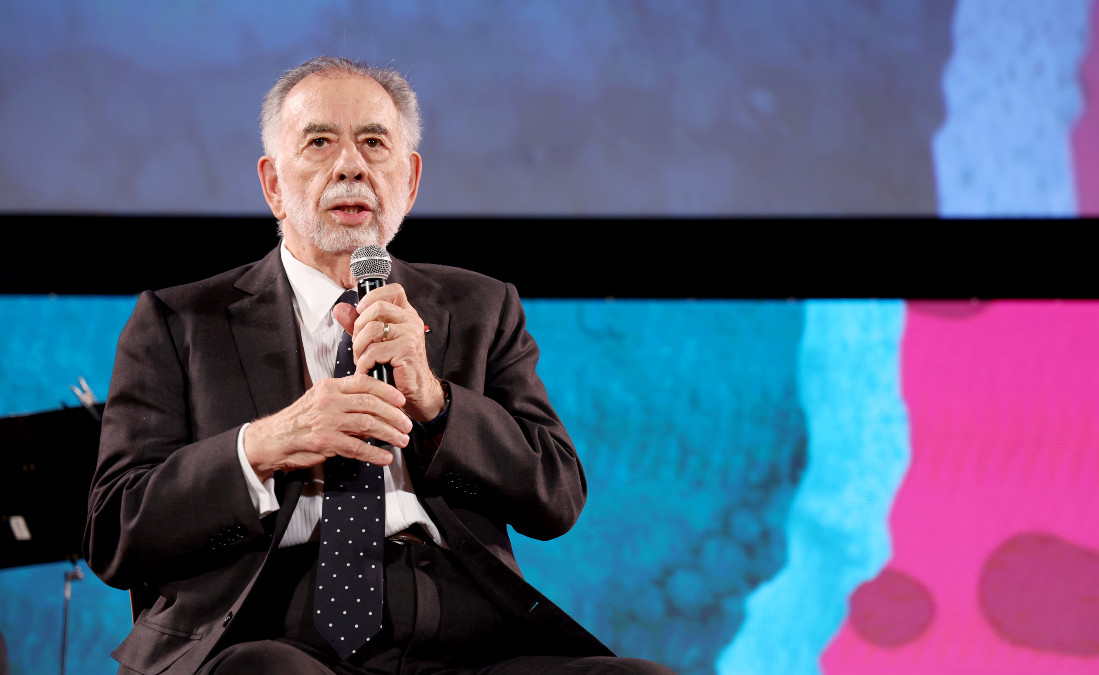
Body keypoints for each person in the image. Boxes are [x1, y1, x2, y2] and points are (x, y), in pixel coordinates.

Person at [84, 56, 673, 675]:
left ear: (410, 181)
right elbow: (114, 531)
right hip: (266, 624)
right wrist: (264, 445)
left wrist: (438, 402)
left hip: (463, 625)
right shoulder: (180, 321)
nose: (351, 167)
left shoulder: (478, 308)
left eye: (373, 142)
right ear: (274, 185)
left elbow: (555, 498)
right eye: (319, 142)